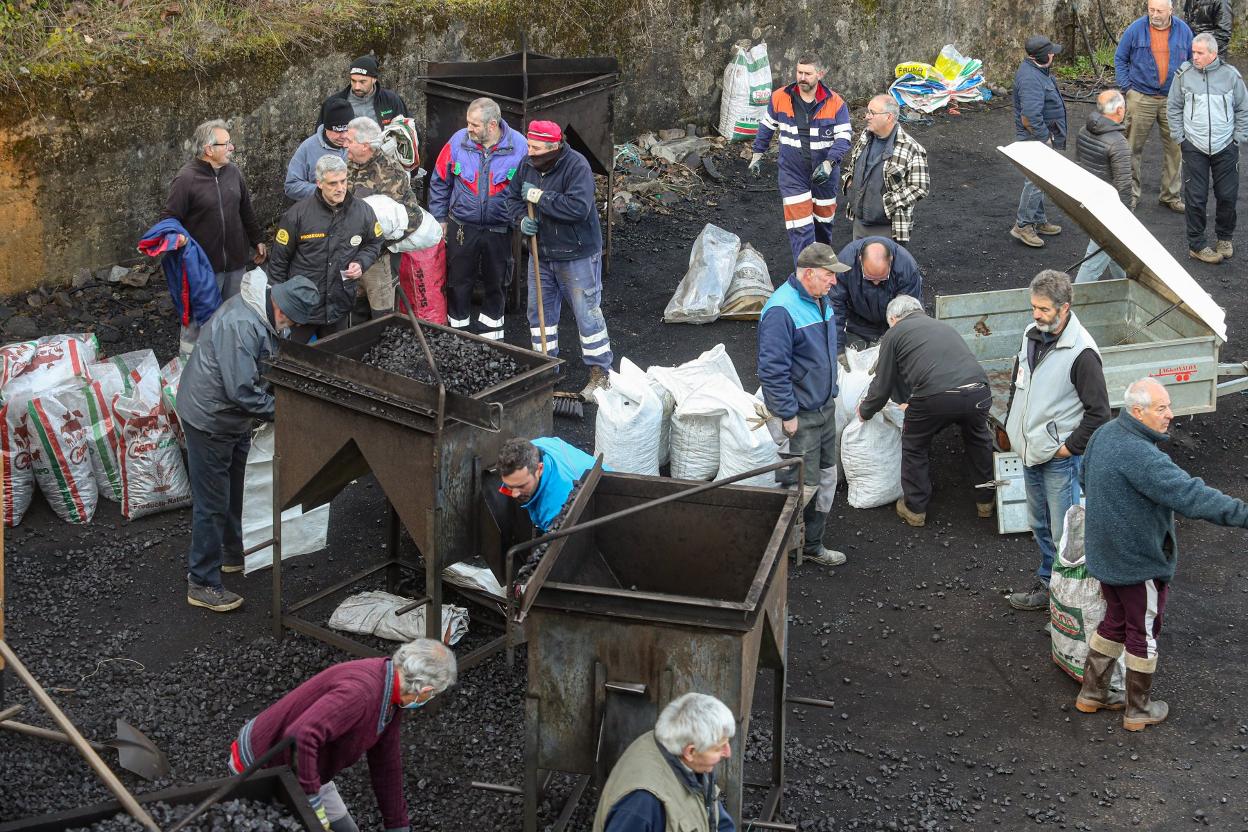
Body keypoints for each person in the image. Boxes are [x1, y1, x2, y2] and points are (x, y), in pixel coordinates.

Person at [1078, 378, 1248, 731]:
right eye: (1161, 408)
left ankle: (1091, 693)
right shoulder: (1143, 456)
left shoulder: (1104, 434)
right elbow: (1192, 495)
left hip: (1105, 555)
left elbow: (1084, 477)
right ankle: (1138, 710)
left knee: (1114, 621)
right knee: (1142, 630)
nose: (1170, 414)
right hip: (1136, 563)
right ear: (1137, 412)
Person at [176, 272, 319, 612]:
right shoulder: (242, 326)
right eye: (292, 321)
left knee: (234, 488)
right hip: (210, 418)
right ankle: (202, 582)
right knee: (211, 502)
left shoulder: (263, 315)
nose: (290, 328)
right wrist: (287, 412)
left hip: (231, 419)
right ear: (280, 307)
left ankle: (231, 554)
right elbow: (241, 391)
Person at [228, 639, 456, 831]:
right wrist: (312, 802)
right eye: (434, 694)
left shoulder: (392, 695)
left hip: (309, 767)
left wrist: (397, 825)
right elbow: (300, 736)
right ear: (426, 691)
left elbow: (386, 765)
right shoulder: (361, 695)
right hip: (265, 764)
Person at [1004, 270, 1111, 612]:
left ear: (1064, 309)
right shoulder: (1030, 334)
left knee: (1065, 532)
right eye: (1034, 307)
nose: (1036, 314)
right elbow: (1019, 381)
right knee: (1038, 523)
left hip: (1058, 459)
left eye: (1044, 309)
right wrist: (1011, 422)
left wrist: (1065, 448)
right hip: (1031, 450)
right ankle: (1050, 582)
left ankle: (1068, 601)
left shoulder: (1082, 353)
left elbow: (1099, 414)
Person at [856, 295, 995, 527]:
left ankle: (915, 508)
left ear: (893, 318)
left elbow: (882, 384)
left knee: (915, 444)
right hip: (978, 391)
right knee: (978, 439)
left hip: (936, 397)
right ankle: (986, 501)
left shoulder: (895, 333)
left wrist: (865, 411)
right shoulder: (942, 326)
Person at [505, 120, 613, 400]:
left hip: (576, 253)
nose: (530, 152)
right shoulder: (527, 164)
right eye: (529, 145)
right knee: (539, 314)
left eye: (537, 148)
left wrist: (540, 197)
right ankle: (545, 370)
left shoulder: (577, 166)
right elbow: (511, 199)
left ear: (554, 147)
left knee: (587, 313)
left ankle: (600, 375)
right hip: (541, 253)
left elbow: (578, 208)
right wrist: (520, 220)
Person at [758, 242, 851, 568]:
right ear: (809, 273)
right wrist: (787, 412)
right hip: (801, 415)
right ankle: (768, 553)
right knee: (800, 484)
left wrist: (833, 390)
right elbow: (772, 369)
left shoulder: (820, 300)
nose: (834, 282)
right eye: (829, 275)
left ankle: (811, 544)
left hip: (824, 408)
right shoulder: (781, 310)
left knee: (825, 478)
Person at [428, 97, 527, 341]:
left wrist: (522, 219)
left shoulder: (520, 147)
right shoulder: (457, 141)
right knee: (458, 282)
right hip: (462, 227)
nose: (468, 128)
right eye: (468, 122)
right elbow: (440, 180)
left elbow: (530, 185)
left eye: (474, 124)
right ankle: (457, 337)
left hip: (500, 229)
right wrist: (439, 218)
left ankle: (493, 339)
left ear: (492, 125)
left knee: (497, 283)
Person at [749, 54, 853, 264]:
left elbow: (844, 138)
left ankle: (822, 270)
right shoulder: (780, 97)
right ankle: (804, 276)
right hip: (792, 174)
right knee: (800, 228)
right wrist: (757, 155)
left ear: (820, 74)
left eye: (808, 73)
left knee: (822, 225)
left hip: (825, 176)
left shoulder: (835, 103)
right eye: (799, 72)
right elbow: (766, 127)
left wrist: (829, 162)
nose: (802, 77)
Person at [269, 155, 385, 343]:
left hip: (339, 305)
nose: (340, 188)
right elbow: (278, 262)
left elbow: (375, 242)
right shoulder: (297, 215)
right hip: (301, 307)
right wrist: (278, 306)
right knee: (290, 359)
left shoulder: (363, 212)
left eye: (343, 181)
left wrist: (361, 263)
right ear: (319, 183)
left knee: (335, 359)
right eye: (333, 183)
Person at [593, 692, 736, 832]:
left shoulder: (683, 754)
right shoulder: (640, 806)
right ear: (690, 752)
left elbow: (717, 820)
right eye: (718, 748)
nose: (728, 753)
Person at [162, 119, 265, 305]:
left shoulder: (234, 172)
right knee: (201, 323)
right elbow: (169, 218)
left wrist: (257, 239)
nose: (232, 147)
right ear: (209, 149)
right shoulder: (186, 179)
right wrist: (179, 241)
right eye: (226, 144)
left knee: (233, 317)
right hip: (203, 268)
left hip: (236, 264)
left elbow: (245, 209)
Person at [1167, 32, 1248, 264]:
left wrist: (1238, 138)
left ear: (1213, 54)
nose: (1195, 56)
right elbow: (1173, 106)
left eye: (1200, 53)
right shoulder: (1183, 76)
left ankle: (1224, 238)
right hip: (1194, 146)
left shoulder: (1231, 76)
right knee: (1195, 198)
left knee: (1227, 196)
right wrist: (1180, 137)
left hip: (1226, 147)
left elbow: (1243, 108)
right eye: (1193, 51)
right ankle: (1197, 245)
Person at [1114, 0, 1193, 212]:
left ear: (1170, 11)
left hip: (1173, 99)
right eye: (1151, 9)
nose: (1154, 14)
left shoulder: (1184, 30)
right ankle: (1129, 195)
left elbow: (1193, 61)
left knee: (1176, 149)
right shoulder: (1135, 29)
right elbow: (1120, 59)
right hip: (1140, 97)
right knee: (1131, 148)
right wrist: (1127, 88)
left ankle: (1170, 195)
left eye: (1159, 10)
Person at [346, 115, 422, 317]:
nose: (345, 145)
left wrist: (374, 248)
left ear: (365, 145)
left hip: (378, 259)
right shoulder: (346, 166)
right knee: (353, 310)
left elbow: (410, 217)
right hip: (347, 255)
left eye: (349, 141)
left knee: (382, 315)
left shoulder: (390, 172)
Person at [839, 95, 930, 245]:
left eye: (872, 113)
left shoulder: (912, 149)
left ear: (889, 117)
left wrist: (887, 203)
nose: (867, 116)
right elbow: (853, 164)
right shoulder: (865, 137)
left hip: (887, 230)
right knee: (858, 265)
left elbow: (920, 188)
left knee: (881, 268)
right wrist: (850, 182)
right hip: (859, 223)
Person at [1010, 35, 1068, 248]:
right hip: (1036, 141)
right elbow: (1030, 117)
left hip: (1041, 138)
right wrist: (1046, 138)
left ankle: (1038, 219)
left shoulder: (1038, 72)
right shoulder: (1031, 79)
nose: (1054, 54)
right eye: (1051, 52)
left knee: (1040, 181)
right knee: (1035, 182)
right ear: (1045, 56)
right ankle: (1023, 226)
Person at [1074, 90, 1133, 283]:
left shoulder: (1084, 130)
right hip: (1109, 211)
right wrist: (1125, 218)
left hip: (1089, 201)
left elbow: (1078, 165)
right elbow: (1124, 185)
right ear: (1118, 110)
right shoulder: (1118, 142)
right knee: (1093, 263)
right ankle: (1072, 306)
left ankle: (1124, 286)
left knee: (1116, 253)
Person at [827, 237, 923, 351]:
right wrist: (837, 349)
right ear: (860, 260)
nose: (876, 282)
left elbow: (910, 315)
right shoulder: (846, 263)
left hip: (891, 325)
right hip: (857, 324)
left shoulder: (906, 267)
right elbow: (835, 307)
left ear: (891, 260)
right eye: (869, 278)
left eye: (882, 278)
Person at [497, 437, 597, 532]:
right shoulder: (535, 447)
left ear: (540, 469)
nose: (514, 494)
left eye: (521, 486)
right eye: (510, 486)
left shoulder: (556, 509)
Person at [285, 98, 352, 201]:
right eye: (337, 131)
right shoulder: (308, 147)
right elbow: (291, 186)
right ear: (326, 127)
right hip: (322, 211)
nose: (343, 136)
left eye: (346, 130)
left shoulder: (362, 142)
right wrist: (324, 191)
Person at [321, 54, 408, 129]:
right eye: (353, 81)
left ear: (374, 79)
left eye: (362, 82)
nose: (357, 87)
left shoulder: (391, 100)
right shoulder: (332, 104)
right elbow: (321, 137)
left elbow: (410, 131)